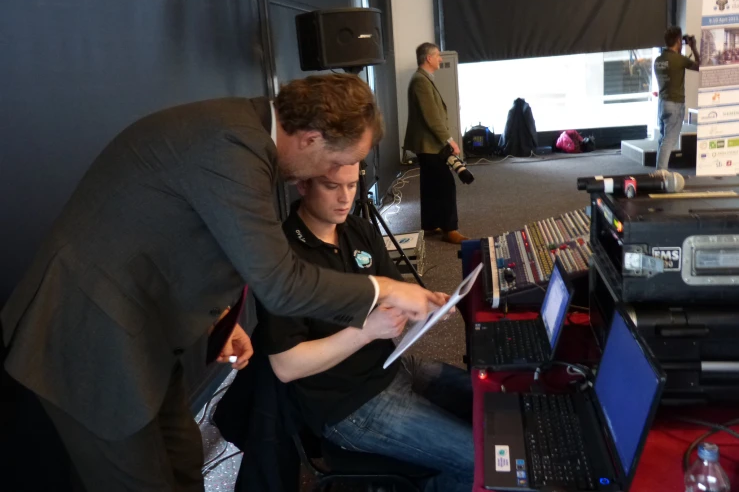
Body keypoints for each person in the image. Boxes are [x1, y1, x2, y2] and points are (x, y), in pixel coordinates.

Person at [1, 74, 446, 491]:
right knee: (141, 481)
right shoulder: (231, 146)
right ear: (311, 138)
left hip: (140, 332)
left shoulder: (244, 136)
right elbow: (280, 283)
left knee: (182, 460)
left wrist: (218, 318)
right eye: (337, 162)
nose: (334, 178)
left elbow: (183, 238)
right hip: (85, 338)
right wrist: (385, 288)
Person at [256, 162, 474, 492]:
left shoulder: (357, 228)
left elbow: (394, 292)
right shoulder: (282, 260)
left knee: (492, 402)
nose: (346, 198)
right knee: (480, 460)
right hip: (348, 407)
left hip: (392, 368)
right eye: (332, 187)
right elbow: (286, 366)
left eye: (352, 185)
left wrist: (427, 305)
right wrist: (367, 331)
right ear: (302, 185)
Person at [403, 42, 468, 244]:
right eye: (438, 55)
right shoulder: (420, 81)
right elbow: (432, 117)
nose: (440, 59)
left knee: (431, 185)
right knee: (445, 185)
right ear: (428, 58)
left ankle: (431, 224)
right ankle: (450, 229)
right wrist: (450, 140)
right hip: (430, 145)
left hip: (428, 144)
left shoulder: (421, 79)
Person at [654, 26, 700, 170]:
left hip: (662, 103)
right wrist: (693, 47)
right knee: (669, 140)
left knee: (663, 139)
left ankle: (658, 172)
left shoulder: (659, 60)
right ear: (679, 41)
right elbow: (700, 66)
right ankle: (660, 174)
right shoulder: (678, 60)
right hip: (675, 104)